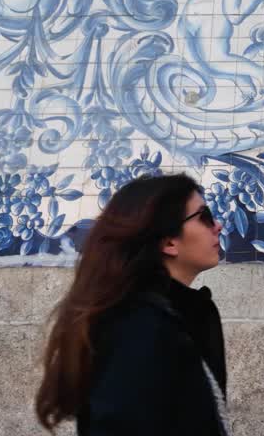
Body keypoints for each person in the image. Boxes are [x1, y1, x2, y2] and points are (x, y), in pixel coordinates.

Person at [36, 174, 229, 435]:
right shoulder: (137, 326)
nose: (217, 225)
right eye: (205, 217)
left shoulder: (179, 315)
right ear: (169, 242)